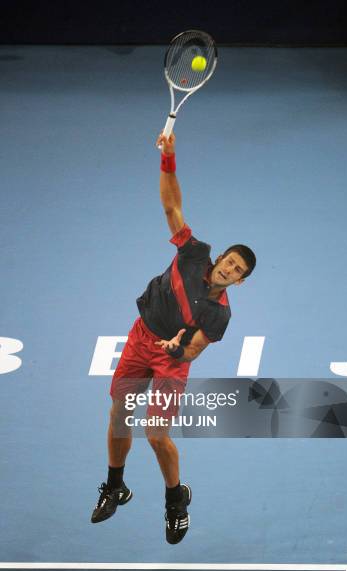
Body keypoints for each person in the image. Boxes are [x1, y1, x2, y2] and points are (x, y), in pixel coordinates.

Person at [91, 132, 256, 544]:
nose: (229, 269)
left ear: (240, 281)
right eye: (230, 261)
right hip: (139, 337)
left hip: (171, 361)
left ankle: (175, 498)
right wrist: (169, 158)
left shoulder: (219, 315)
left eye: (237, 271)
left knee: (157, 435)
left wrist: (177, 348)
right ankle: (115, 485)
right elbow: (171, 205)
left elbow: (194, 349)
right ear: (220, 259)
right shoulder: (194, 252)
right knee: (117, 414)